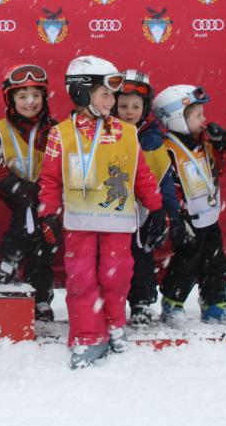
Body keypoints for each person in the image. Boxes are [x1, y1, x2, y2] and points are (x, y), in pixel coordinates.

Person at [38, 56, 162, 368]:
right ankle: (87, 336)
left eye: (112, 95)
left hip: (116, 222)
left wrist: (156, 207)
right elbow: (50, 179)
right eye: (105, 94)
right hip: (79, 222)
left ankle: (114, 323)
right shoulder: (61, 134)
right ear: (82, 93)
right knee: (81, 279)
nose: (111, 101)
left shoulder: (127, 132)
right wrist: (48, 212)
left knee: (115, 274)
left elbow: (141, 174)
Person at [152, 84, 226, 325]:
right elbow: (165, 187)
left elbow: (225, 169)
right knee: (187, 262)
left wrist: (221, 145)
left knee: (217, 262)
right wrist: (175, 217)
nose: (204, 119)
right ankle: (173, 303)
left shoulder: (206, 143)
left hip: (210, 217)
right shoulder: (167, 150)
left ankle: (214, 303)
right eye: (197, 115)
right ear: (177, 119)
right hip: (187, 219)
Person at [0, 64, 58, 321]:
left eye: (36, 95)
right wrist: (17, 187)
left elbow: (63, 166)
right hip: (15, 190)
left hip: (48, 194)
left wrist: (45, 190)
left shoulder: (55, 130)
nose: (30, 102)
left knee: (46, 240)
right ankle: (10, 258)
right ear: (11, 100)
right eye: (22, 96)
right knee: (27, 212)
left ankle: (41, 294)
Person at [115, 70, 180, 326]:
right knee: (111, 262)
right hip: (111, 210)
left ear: (145, 108)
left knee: (141, 259)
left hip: (143, 213)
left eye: (135, 106)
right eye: (123, 106)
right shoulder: (105, 132)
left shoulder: (152, 139)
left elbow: (164, 178)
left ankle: (141, 303)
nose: (129, 112)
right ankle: (110, 304)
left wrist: (169, 214)